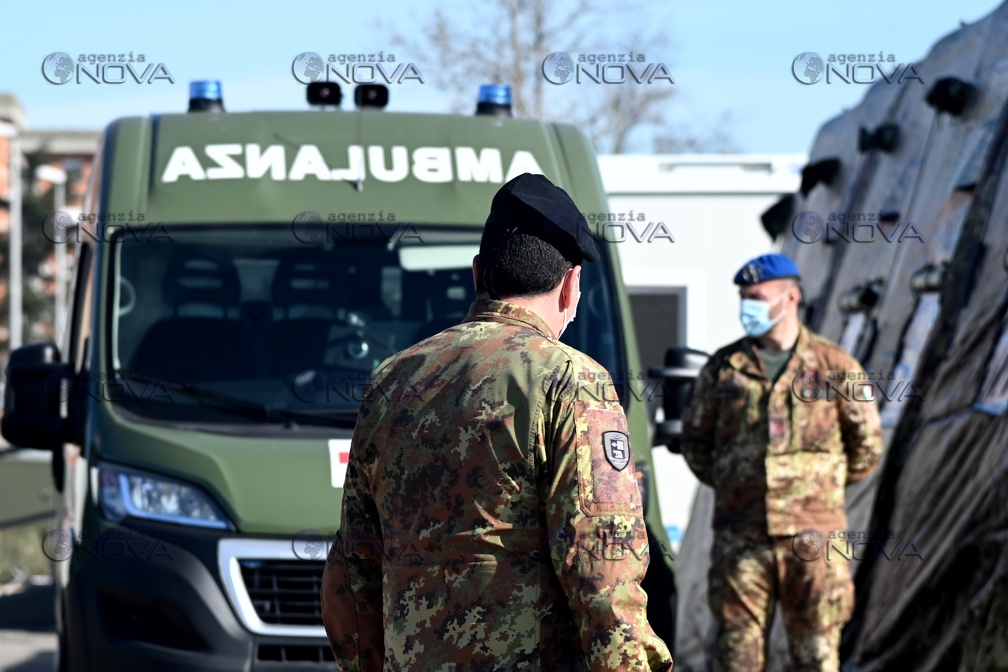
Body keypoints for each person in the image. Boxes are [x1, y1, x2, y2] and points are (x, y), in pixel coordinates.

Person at [321, 172, 673, 671]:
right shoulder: (570, 379)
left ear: (477, 273)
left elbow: (351, 572)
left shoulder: (391, 380)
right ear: (571, 286)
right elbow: (603, 572)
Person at [680, 253, 883, 672]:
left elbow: (866, 448)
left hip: (814, 541)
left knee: (817, 655)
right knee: (737, 656)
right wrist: (742, 485)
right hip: (742, 539)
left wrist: (815, 491)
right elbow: (697, 446)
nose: (746, 307)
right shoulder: (723, 368)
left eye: (756, 297)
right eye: (743, 297)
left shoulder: (836, 368)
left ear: (790, 298)